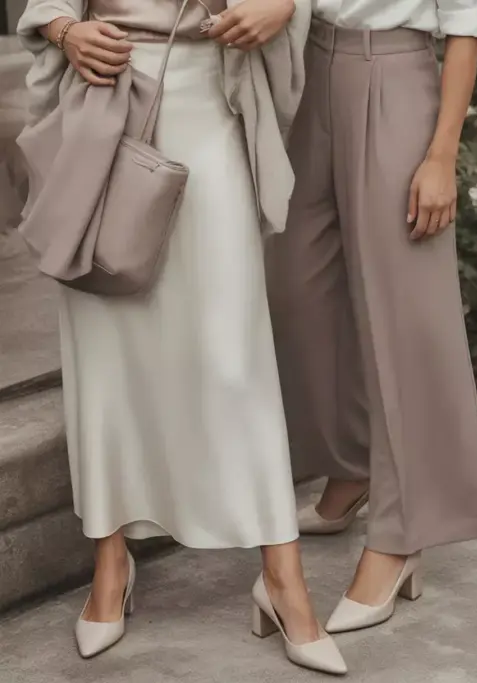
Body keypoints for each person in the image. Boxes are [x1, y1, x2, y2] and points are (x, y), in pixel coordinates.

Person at [16, 0, 346, 674]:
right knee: (104, 353)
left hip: (210, 99)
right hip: (104, 106)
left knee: (235, 357)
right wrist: (65, 30)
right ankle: (110, 561)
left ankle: (282, 576)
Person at [264, 0, 477, 635]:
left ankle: (400, 535)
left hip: (395, 77)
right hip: (310, 69)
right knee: (294, 287)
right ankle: (352, 465)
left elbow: (467, 25)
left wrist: (441, 155)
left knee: (404, 311)